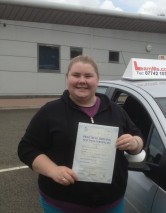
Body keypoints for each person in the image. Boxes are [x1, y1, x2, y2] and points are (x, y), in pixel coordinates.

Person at [18, 55, 144, 213]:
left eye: (88, 76)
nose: (82, 80)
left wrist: (135, 143)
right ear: (67, 78)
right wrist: (53, 170)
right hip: (61, 205)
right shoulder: (50, 111)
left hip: (111, 204)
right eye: (76, 75)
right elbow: (26, 149)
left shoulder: (116, 110)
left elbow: (137, 136)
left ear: (97, 80)